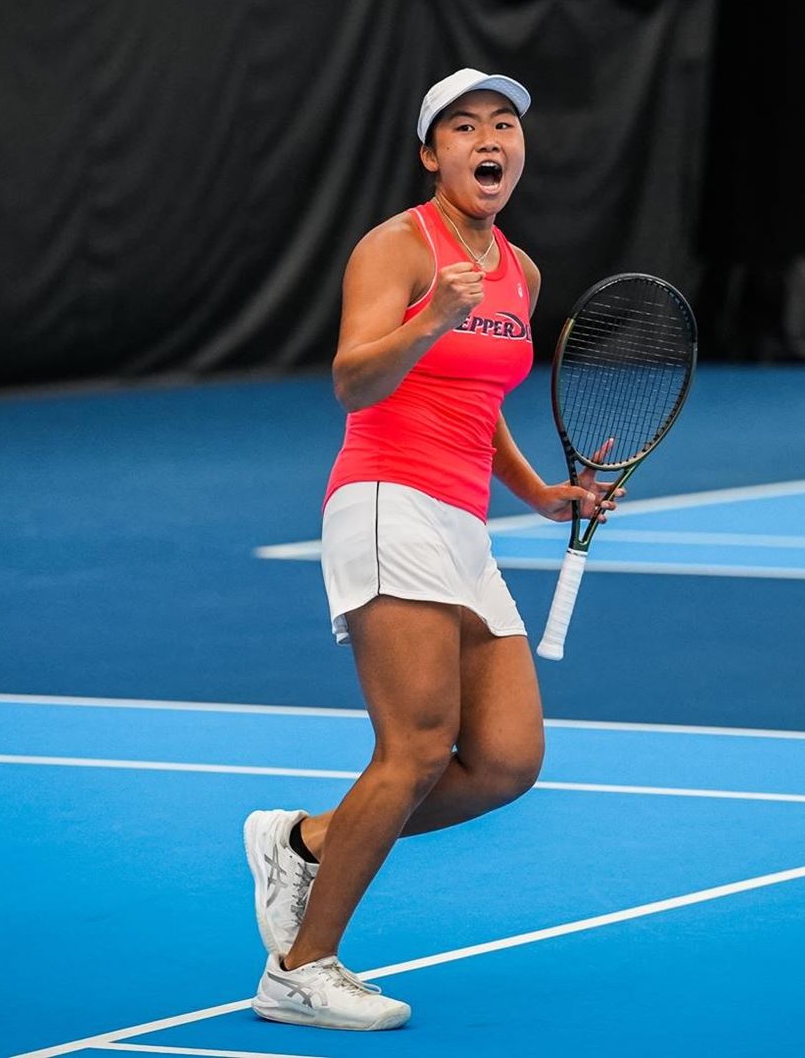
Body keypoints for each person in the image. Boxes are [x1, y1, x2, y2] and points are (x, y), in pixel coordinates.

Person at [242, 68, 619, 1031]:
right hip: (384, 500)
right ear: (431, 153)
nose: (489, 139)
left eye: (503, 125)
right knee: (412, 746)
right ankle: (301, 966)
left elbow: (479, 403)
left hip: (463, 522)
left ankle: (309, 841)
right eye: (464, 126)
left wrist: (541, 493)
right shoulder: (396, 247)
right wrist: (432, 316)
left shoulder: (521, 271)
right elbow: (352, 382)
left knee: (504, 759)